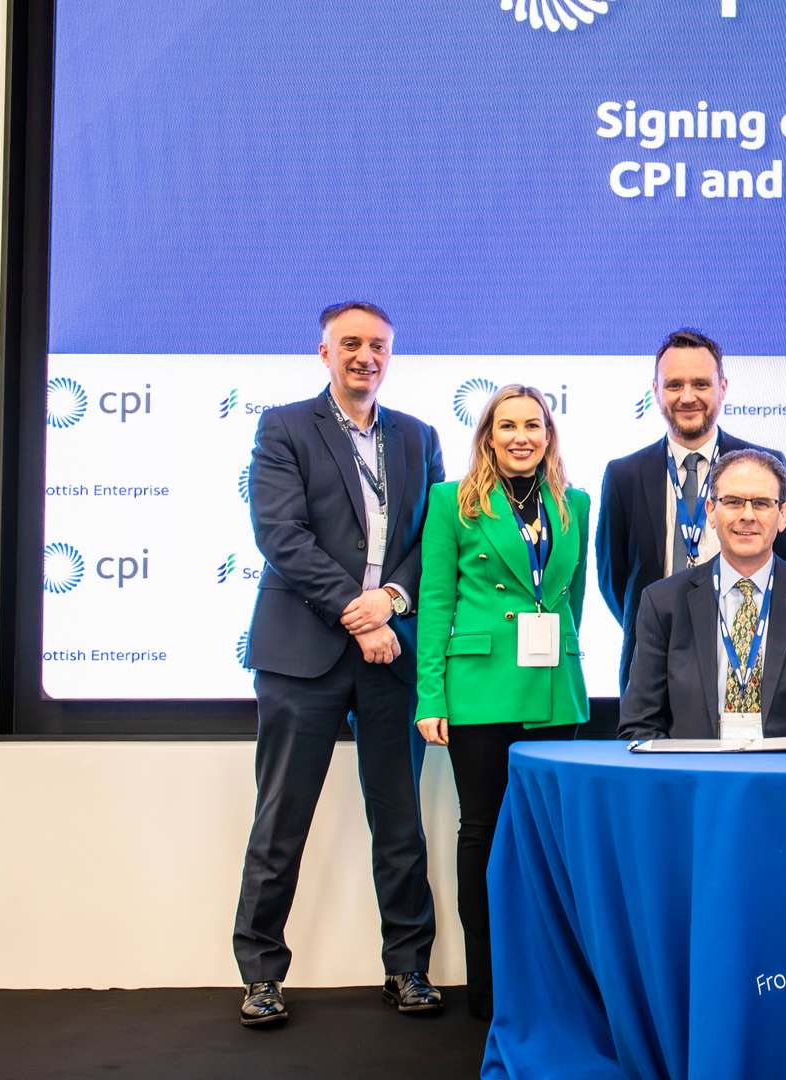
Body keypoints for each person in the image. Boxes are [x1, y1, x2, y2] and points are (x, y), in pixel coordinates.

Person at [234, 301, 444, 1026]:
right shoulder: (284, 427)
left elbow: (433, 543)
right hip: (304, 656)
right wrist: (359, 614)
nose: (365, 355)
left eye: (378, 344)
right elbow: (280, 535)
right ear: (323, 351)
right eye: (350, 343)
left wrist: (390, 599)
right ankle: (261, 975)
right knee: (281, 819)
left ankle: (409, 969)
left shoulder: (419, 438)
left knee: (399, 821)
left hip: (392, 653)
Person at [412, 384, 590, 1020]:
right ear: (488, 434)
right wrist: (430, 694)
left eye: (533, 426)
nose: (522, 437)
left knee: (548, 838)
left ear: (549, 435)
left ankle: (546, 981)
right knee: (483, 832)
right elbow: (434, 605)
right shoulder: (450, 503)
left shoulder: (574, 505)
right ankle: (486, 986)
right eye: (508, 425)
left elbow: (574, 600)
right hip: (480, 690)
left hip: (554, 694)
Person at [597, 329, 786, 690]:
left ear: (723, 387)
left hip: (745, 654)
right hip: (652, 665)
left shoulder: (765, 465)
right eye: (674, 385)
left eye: (701, 384)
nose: (687, 397)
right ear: (656, 389)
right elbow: (614, 580)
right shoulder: (624, 475)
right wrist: (655, 626)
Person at [619, 450, 786, 740]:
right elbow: (640, 723)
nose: (747, 515)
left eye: (761, 503)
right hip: (693, 778)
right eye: (732, 502)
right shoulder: (663, 602)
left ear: (783, 516)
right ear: (710, 512)